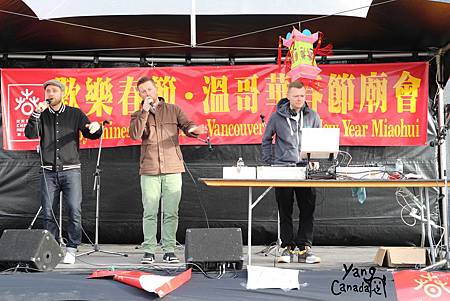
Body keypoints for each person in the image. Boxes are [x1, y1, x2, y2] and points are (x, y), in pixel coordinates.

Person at [129, 76, 207, 264]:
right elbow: (134, 134)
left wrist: (195, 129)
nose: (147, 93)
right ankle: (149, 250)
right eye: (143, 91)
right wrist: (144, 112)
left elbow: (187, 125)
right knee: (150, 210)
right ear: (139, 94)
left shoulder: (173, 109)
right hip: (149, 168)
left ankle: (169, 249)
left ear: (156, 90)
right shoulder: (137, 114)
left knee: (171, 211)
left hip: (172, 167)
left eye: (149, 89)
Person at [25, 79, 102, 264]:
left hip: (71, 170)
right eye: (48, 91)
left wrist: (96, 128)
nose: (50, 94)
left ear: (62, 93)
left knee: (74, 209)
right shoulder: (41, 115)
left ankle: (72, 249)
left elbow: (90, 133)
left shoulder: (74, 113)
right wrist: (36, 113)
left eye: (54, 90)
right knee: (48, 211)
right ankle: (50, 248)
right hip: (48, 171)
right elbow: (30, 134)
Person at [261, 81, 321, 264]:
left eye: (302, 96)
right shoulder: (277, 117)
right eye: (296, 96)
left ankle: (304, 249)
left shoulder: (312, 116)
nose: (299, 99)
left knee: (307, 209)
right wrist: (270, 163)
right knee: (285, 209)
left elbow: (319, 139)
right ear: (288, 97)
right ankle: (287, 247)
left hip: (305, 170)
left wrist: (316, 158)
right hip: (283, 169)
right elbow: (266, 140)